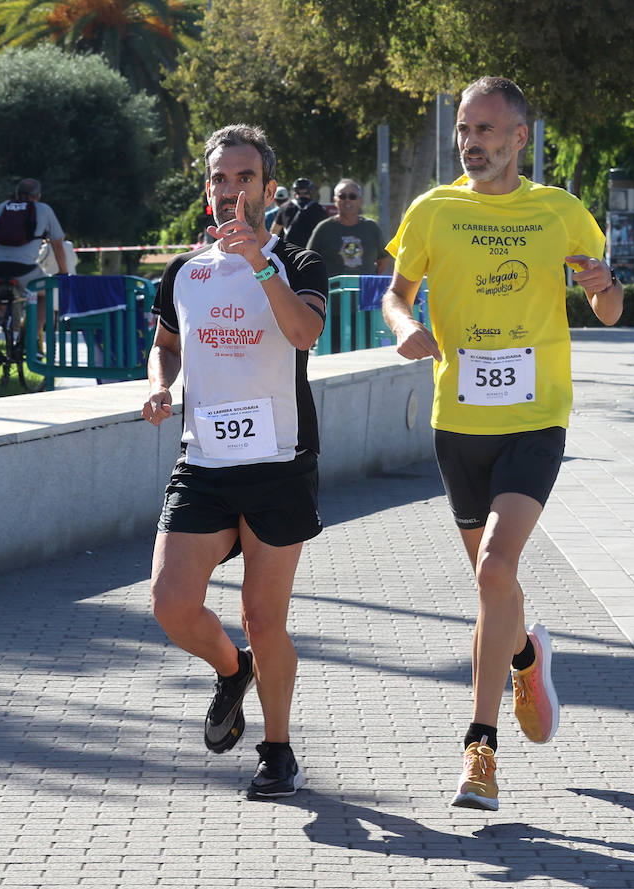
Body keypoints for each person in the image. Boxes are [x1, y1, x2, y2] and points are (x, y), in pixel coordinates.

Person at [380, 76, 623, 811]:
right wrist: (404, 328)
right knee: (495, 587)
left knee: (494, 567)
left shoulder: (560, 212)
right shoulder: (432, 210)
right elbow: (395, 292)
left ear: (519, 138)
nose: (471, 142)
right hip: (459, 424)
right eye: (463, 129)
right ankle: (525, 653)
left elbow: (609, 311)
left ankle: (479, 752)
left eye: (487, 129)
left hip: (535, 417)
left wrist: (605, 287)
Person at [142, 124, 328, 800]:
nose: (231, 191)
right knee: (169, 603)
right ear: (207, 188)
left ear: (269, 191)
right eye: (220, 178)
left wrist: (258, 266)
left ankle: (277, 750)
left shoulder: (300, 264)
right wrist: (159, 383)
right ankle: (232, 669)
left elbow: (305, 332)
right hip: (205, 464)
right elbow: (166, 343)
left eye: (245, 179)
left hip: (280, 463)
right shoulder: (183, 273)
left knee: (262, 613)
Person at [0, 178, 69, 331]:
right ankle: (31, 338)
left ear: (16, 194)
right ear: (38, 196)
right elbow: (58, 245)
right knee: (45, 295)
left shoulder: (2, 207)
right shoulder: (44, 209)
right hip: (23, 268)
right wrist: (63, 272)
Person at [306, 178, 390, 279]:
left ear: (360, 200)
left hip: (364, 291)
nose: (347, 200)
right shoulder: (323, 228)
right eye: (342, 196)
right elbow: (309, 260)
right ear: (335, 200)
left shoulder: (371, 227)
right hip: (333, 291)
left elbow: (383, 259)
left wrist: (371, 278)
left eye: (352, 196)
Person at [271, 177, 329, 248]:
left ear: (295, 191)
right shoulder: (319, 209)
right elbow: (326, 233)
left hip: (289, 251)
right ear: (311, 191)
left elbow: (274, 231)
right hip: (310, 252)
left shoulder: (284, 207)